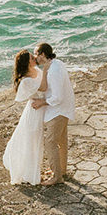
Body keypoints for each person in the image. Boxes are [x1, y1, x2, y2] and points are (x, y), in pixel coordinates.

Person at [1, 48, 45, 185]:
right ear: (27, 63)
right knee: (32, 142)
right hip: (35, 111)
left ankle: (34, 170)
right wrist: (48, 68)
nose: (35, 59)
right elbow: (44, 88)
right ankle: (31, 174)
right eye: (32, 58)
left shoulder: (37, 71)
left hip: (43, 107)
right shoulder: (26, 81)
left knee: (38, 142)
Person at [35, 42, 76, 185]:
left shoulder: (53, 71)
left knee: (50, 142)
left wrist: (42, 102)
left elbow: (57, 97)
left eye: (36, 54)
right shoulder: (57, 64)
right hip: (64, 109)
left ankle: (57, 177)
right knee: (61, 141)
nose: (35, 58)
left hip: (58, 110)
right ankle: (60, 170)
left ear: (43, 54)